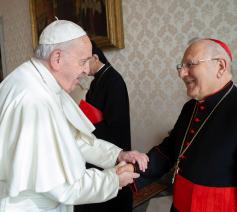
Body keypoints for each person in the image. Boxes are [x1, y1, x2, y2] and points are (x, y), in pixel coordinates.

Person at [0, 20, 149, 211]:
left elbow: (74, 139)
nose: (87, 70)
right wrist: (113, 180)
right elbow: (62, 185)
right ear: (57, 58)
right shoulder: (33, 100)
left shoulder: (43, 84)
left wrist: (117, 155)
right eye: (83, 61)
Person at [122, 38, 236, 212]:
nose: (181, 74)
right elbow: (169, 150)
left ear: (220, 66)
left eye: (190, 64)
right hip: (180, 204)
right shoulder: (190, 107)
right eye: (181, 66)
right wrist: (133, 171)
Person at [75, 41, 133, 212]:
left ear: (95, 57)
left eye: (85, 62)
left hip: (112, 140)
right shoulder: (96, 81)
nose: (84, 69)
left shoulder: (114, 80)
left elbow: (116, 122)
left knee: (113, 197)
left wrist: (90, 126)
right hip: (98, 139)